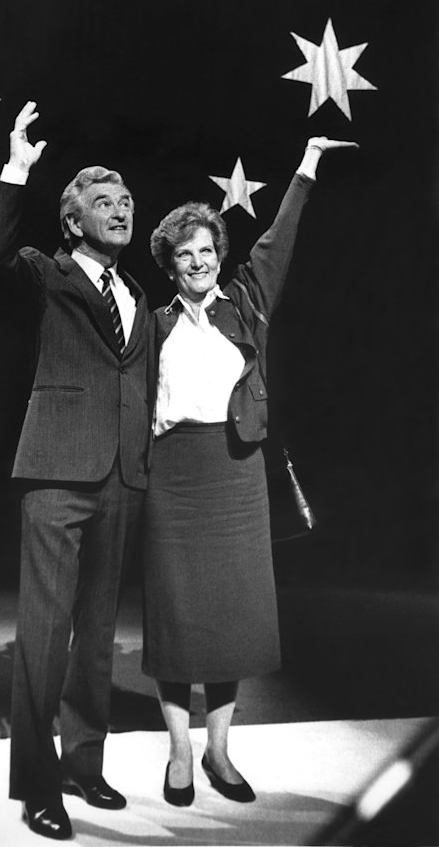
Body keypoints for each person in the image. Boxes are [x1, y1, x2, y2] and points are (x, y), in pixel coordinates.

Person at [143, 136, 358, 807]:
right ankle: (179, 751)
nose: (200, 261)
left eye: (208, 250)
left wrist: (309, 162)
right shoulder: (150, 325)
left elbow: (280, 236)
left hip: (237, 475)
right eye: (187, 254)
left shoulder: (248, 301)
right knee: (178, 622)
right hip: (173, 478)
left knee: (234, 621)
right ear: (170, 266)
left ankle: (220, 749)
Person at [0, 101, 152, 840]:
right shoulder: (47, 272)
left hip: (122, 478)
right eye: (103, 203)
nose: (120, 211)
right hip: (55, 468)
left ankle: (85, 763)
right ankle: (38, 783)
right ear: (74, 220)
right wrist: (16, 166)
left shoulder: (140, 294)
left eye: (126, 203)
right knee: (44, 631)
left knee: (99, 630)